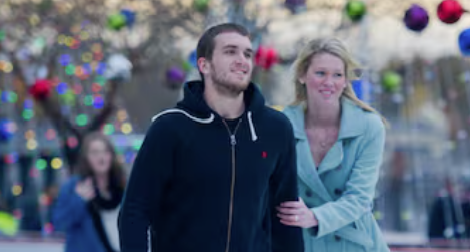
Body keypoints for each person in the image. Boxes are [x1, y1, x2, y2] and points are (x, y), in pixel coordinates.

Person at [119, 23, 303, 252]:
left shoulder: (275, 128)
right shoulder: (171, 127)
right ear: (204, 65)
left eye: (247, 53)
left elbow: (286, 214)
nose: (242, 60)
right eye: (230, 51)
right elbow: (135, 210)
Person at [277, 37, 389, 251]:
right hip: (301, 243)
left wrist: (314, 216)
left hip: (355, 244)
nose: (329, 82)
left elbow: (359, 198)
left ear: (346, 80)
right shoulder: (281, 126)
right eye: (320, 73)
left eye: (338, 75)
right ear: (302, 75)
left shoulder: (369, 127)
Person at [54, 133, 128, 252]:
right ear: (86, 157)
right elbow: (60, 223)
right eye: (95, 152)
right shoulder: (74, 186)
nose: (101, 157)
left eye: (105, 152)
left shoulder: (122, 187)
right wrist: (79, 200)